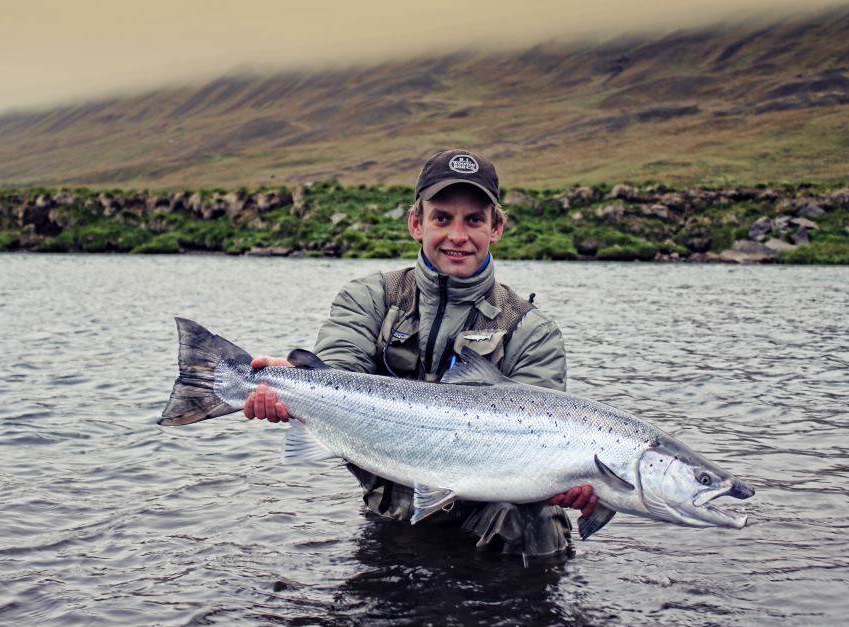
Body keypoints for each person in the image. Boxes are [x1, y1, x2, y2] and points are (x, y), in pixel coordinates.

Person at [244, 149, 598, 559]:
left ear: (496, 227)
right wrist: (293, 388)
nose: (457, 236)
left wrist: (576, 482)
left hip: (499, 521)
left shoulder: (532, 331)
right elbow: (338, 372)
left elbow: (547, 438)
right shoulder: (370, 298)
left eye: (474, 220)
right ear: (417, 223)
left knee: (535, 529)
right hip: (394, 513)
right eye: (442, 218)